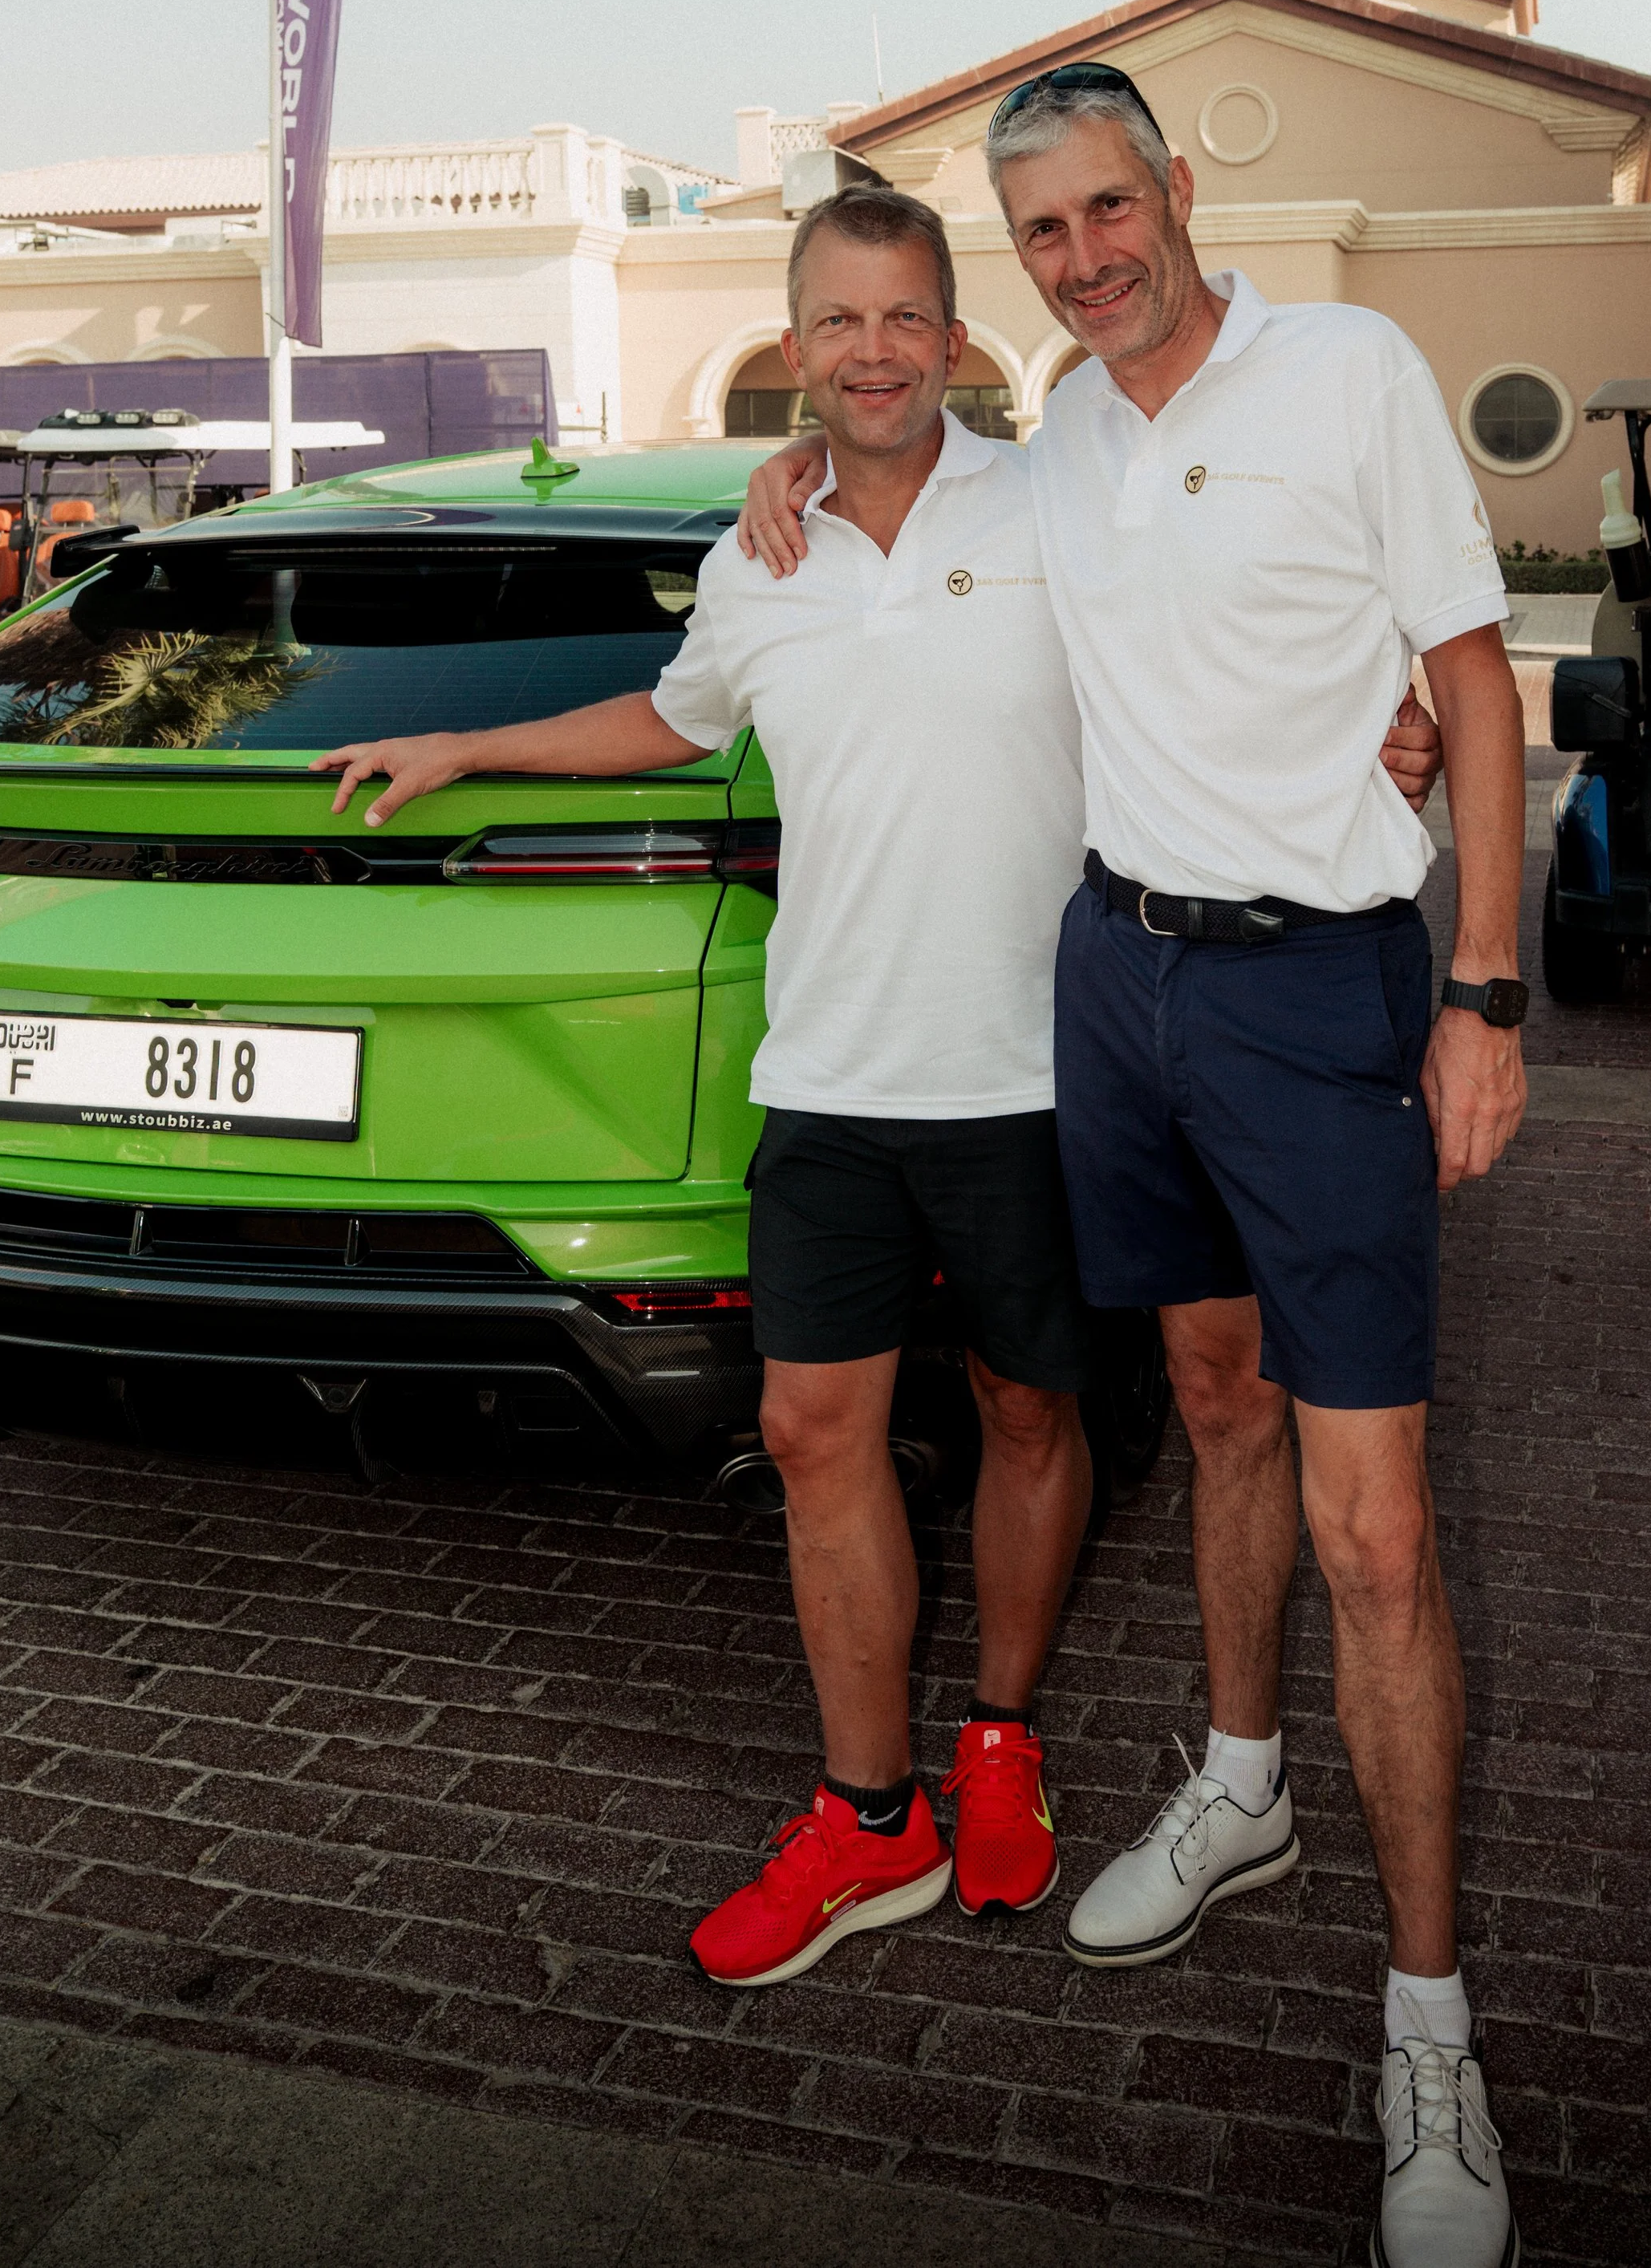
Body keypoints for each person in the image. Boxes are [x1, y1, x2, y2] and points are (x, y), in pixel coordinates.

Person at [312, 180, 1442, 2006]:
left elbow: (1218, 635)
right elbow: (677, 717)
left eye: (905, 315)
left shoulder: (1057, 490)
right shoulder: (755, 554)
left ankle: (999, 1738)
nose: (871, 352)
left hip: (1037, 1069)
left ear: (956, 337)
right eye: (835, 321)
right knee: (815, 1432)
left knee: (1021, 1415)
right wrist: (468, 741)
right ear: (791, 344)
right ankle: (867, 1816)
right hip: (827, 1070)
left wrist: (1385, 718)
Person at [740, 75, 1525, 2268]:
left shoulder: (1345, 371)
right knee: (1200, 1402)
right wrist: (784, 462)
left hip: (1323, 999)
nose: (1084, 252)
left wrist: (1482, 987)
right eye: (1043, 232)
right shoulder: (1055, 435)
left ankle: (1431, 2030)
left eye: (1108, 206)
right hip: (1119, 982)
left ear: (1177, 192)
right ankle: (1244, 1781)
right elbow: (893, 489)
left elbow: (1466, 685)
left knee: (1378, 1531)